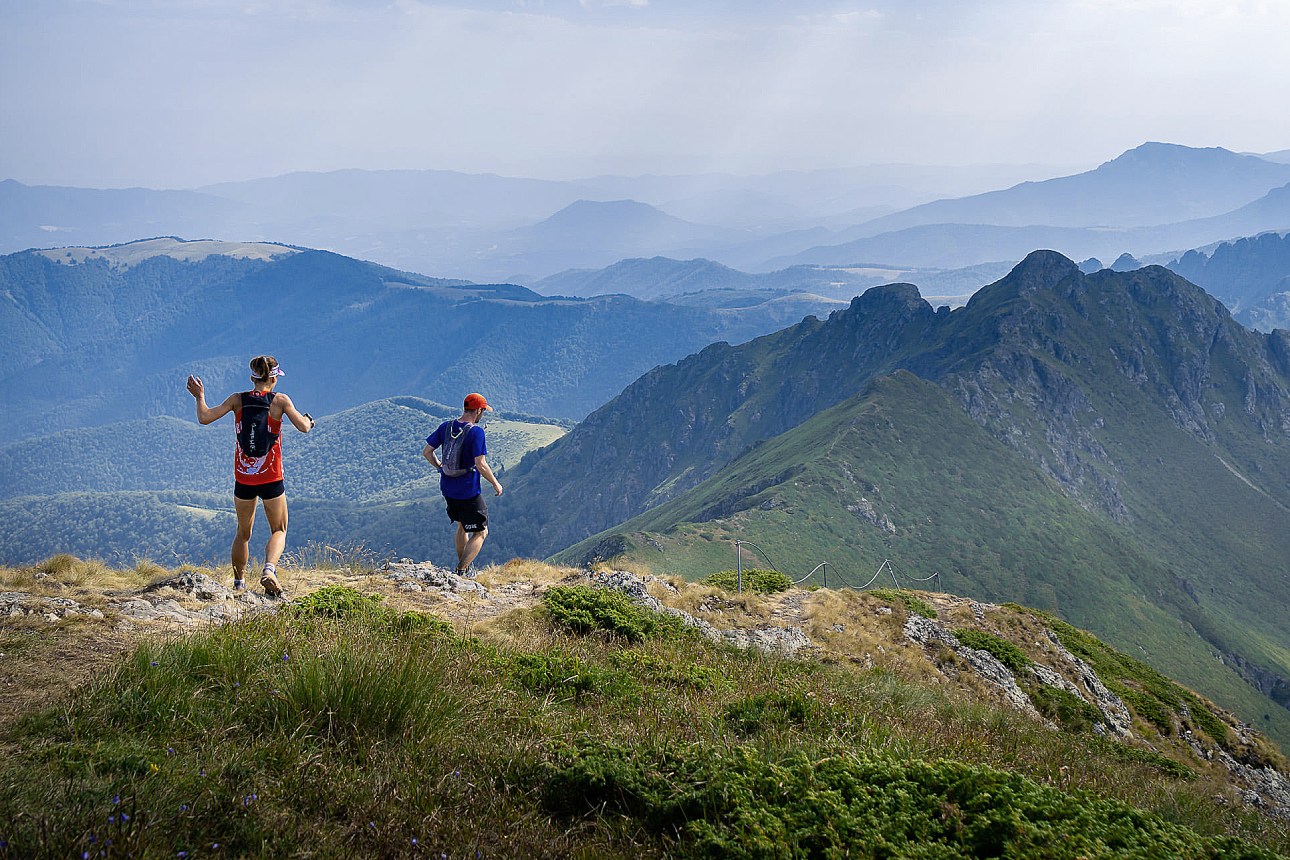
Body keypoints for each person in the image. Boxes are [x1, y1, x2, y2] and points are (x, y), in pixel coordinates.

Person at [186, 355, 314, 596]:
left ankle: (239, 584)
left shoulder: (237, 400)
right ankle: (269, 570)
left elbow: (204, 418)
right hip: (271, 478)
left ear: (252, 377)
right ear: (274, 377)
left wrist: (199, 397)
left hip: (244, 478)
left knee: (243, 532)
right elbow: (304, 427)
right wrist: (309, 420)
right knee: (279, 529)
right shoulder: (281, 401)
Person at [422, 392, 504, 578]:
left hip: (448, 488)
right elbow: (480, 464)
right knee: (481, 532)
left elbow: (427, 452)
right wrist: (495, 483)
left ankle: (464, 567)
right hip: (468, 491)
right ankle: (461, 571)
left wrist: (440, 468)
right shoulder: (476, 432)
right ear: (479, 411)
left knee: (462, 527)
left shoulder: (446, 427)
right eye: (484, 411)